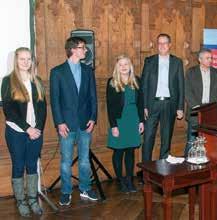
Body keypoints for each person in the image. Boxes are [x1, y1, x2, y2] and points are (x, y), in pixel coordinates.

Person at [50, 36, 98, 206]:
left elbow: (93, 97)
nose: (85, 50)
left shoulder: (87, 70)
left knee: (84, 159)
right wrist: (59, 122)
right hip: (66, 125)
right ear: (73, 49)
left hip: (85, 123)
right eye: (82, 47)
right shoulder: (57, 72)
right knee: (66, 161)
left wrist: (93, 118)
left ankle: (85, 188)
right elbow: (55, 100)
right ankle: (66, 191)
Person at [1, 47, 46, 217]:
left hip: (36, 132)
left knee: (32, 165)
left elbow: (42, 108)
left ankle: (33, 199)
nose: (26, 62)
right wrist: (28, 129)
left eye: (29, 59)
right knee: (19, 166)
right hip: (16, 132)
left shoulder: (37, 81)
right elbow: (9, 110)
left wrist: (38, 129)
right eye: (22, 59)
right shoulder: (8, 81)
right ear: (16, 61)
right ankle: (21, 201)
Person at [141, 33, 184, 162]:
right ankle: (146, 172)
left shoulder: (177, 62)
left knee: (166, 139)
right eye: (159, 43)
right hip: (152, 104)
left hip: (169, 104)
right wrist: (144, 106)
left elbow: (181, 86)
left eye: (165, 43)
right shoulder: (149, 61)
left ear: (169, 45)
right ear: (157, 45)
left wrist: (180, 107)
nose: (162, 46)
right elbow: (144, 85)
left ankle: (162, 170)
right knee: (148, 138)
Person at [106, 54, 144, 193]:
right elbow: (110, 106)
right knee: (119, 151)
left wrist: (141, 121)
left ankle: (129, 179)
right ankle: (120, 181)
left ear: (130, 66)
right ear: (117, 67)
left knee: (130, 151)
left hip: (133, 119)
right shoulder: (112, 82)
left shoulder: (137, 81)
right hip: (119, 120)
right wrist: (113, 126)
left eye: (126, 64)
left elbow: (141, 103)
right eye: (120, 64)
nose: (123, 67)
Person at [184, 48, 217, 156]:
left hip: (211, 114)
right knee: (192, 142)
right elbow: (187, 91)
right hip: (195, 113)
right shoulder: (191, 72)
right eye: (207, 58)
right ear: (200, 59)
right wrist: (197, 107)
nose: (210, 60)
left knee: (208, 143)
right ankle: (188, 169)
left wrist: (210, 109)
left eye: (211, 58)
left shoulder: (216, 73)